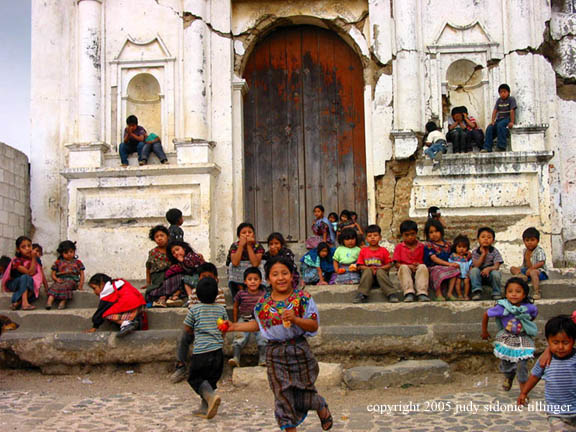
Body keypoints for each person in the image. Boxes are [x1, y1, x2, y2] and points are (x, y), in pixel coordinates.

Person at [224, 257, 333, 431]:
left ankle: (319, 405)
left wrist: (296, 319)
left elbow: (313, 325)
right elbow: (258, 324)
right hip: (274, 353)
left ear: (292, 276)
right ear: (268, 279)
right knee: (282, 396)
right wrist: (234, 326)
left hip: (299, 350)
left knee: (302, 391)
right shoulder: (263, 304)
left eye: (285, 273)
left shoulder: (303, 298)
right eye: (275, 274)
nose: (280, 278)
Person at [171, 262, 226, 384]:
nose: (206, 279)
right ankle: (181, 366)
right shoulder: (195, 293)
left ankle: (214, 370)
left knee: (217, 338)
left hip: (212, 325)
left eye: (209, 277)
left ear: (216, 279)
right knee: (182, 336)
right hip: (196, 325)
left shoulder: (219, 292)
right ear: (198, 279)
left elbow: (221, 316)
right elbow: (192, 312)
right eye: (203, 276)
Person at [518, 315, 576, 430]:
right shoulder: (545, 359)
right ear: (548, 341)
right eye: (555, 342)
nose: (560, 347)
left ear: (573, 341)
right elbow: (535, 376)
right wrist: (524, 392)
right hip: (555, 413)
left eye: (565, 342)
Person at [482, 277, 537, 393]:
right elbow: (486, 314)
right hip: (507, 338)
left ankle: (523, 392)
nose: (514, 294)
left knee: (522, 363)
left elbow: (533, 315)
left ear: (524, 294)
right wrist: (484, 331)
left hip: (523, 338)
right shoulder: (501, 307)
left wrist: (527, 324)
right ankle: (509, 376)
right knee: (507, 362)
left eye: (518, 291)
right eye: (510, 291)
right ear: (506, 293)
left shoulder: (529, 307)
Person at [183, 277, 228, 419]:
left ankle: (211, 397)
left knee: (195, 378)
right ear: (216, 294)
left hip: (201, 352)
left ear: (197, 295)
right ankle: (205, 407)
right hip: (218, 353)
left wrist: (193, 332)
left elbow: (187, 327)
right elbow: (225, 327)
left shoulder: (194, 310)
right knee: (210, 381)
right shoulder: (221, 309)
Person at [147, 240, 204, 307]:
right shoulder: (178, 263)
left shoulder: (191, 256)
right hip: (185, 282)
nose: (176, 253)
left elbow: (192, 269)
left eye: (177, 249)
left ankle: (173, 296)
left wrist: (183, 261)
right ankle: (170, 297)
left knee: (182, 279)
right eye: (173, 253)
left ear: (184, 248)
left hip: (196, 280)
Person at [229, 267, 266, 368]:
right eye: (250, 279)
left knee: (262, 337)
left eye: (256, 279)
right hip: (244, 319)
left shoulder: (263, 294)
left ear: (260, 281)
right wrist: (236, 321)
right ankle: (236, 358)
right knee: (239, 336)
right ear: (245, 281)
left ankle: (263, 359)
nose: (253, 282)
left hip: (259, 320)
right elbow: (235, 306)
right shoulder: (241, 294)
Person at [353, 224, 398, 304]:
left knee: (380, 271)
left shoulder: (383, 250)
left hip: (381, 278)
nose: (372, 237)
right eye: (370, 236)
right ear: (366, 239)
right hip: (367, 279)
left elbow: (389, 264)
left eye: (375, 235)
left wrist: (379, 269)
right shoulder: (363, 251)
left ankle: (391, 293)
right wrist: (369, 269)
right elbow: (360, 266)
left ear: (380, 237)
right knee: (367, 271)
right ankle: (362, 294)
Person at [1, 236, 43, 310]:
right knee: (25, 277)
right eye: (23, 247)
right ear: (18, 249)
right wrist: (34, 258)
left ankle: (18, 302)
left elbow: (40, 274)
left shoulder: (34, 260)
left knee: (34, 286)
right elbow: (30, 273)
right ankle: (25, 303)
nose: (27, 249)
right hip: (14, 283)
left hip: (27, 283)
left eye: (29, 246)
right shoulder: (16, 261)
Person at [423, 219, 461, 301]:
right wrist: (449, 264)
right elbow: (434, 258)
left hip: (447, 267)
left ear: (441, 232)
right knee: (438, 270)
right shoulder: (429, 245)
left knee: (455, 269)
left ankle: (449, 293)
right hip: (434, 268)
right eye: (431, 232)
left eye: (436, 231)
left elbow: (456, 253)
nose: (434, 234)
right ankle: (438, 293)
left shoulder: (448, 245)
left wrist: (466, 253)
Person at [393, 220, 430, 302]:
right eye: (407, 235)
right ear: (402, 235)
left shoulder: (421, 246)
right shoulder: (399, 247)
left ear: (416, 233)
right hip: (405, 271)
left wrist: (418, 264)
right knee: (403, 267)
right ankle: (409, 292)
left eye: (412, 234)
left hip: (418, 270)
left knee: (423, 267)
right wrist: (409, 266)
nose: (410, 237)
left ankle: (422, 293)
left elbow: (426, 261)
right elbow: (396, 264)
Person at [226, 222, 265, 299]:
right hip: (238, 273)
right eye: (244, 233)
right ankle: (241, 293)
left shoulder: (258, 246)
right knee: (232, 266)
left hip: (253, 272)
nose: (247, 234)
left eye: (250, 232)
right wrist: (241, 245)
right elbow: (235, 262)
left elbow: (255, 263)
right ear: (239, 236)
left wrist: (249, 246)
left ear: (253, 235)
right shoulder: (235, 245)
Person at [510, 227, 548, 300]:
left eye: (532, 240)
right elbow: (525, 263)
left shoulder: (539, 250)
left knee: (533, 272)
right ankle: (522, 277)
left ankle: (536, 291)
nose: (529, 242)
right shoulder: (525, 251)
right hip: (527, 271)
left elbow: (541, 262)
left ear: (537, 241)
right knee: (512, 268)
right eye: (527, 240)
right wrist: (521, 271)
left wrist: (531, 269)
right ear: (524, 241)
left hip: (539, 271)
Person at [46, 240, 85, 310]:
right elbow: (53, 274)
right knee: (55, 286)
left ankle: (63, 302)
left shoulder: (78, 262)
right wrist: (56, 279)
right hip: (61, 280)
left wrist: (81, 284)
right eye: (66, 252)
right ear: (61, 253)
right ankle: (49, 302)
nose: (69, 254)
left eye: (71, 252)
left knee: (67, 286)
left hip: (72, 281)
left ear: (74, 252)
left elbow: (82, 274)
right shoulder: (58, 262)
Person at [470, 227, 504, 301]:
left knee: (496, 273)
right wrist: (483, 254)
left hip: (490, 275)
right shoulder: (475, 252)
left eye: (489, 237)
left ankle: (496, 293)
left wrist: (488, 269)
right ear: (478, 239)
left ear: (493, 240)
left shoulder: (494, 251)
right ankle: (477, 291)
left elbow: (497, 266)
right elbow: (476, 265)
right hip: (479, 276)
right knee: (474, 271)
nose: (486, 239)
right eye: (483, 237)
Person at [483, 83, 517, 152]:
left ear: (508, 92)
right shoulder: (499, 100)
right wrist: (492, 121)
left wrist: (512, 122)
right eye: (501, 92)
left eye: (504, 92)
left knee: (500, 125)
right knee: (489, 128)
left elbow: (512, 111)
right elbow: (495, 111)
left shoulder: (511, 99)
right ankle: (487, 147)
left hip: (507, 119)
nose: (503, 94)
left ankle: (501, 146)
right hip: (499, 119)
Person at [143, 225, 171, 304]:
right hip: (157, 277)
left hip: (170, 276)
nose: (159, 238)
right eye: (156, 237)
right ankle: (162, 297)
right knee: (156, 288)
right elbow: (148, 268)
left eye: (162, 235)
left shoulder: (172, 250)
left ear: (167, 236)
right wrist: (148, 283)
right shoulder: (153, 252)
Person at [447, 235, 472, 301]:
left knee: (467, 282)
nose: (461, 249)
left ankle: (466, 295)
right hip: (457, 274)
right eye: (459, 247)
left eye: (464, 247)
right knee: (457, 282)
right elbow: (450, 263)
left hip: (465, 274)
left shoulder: (466, 257)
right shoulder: (453, 256)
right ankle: (459, 295)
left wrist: (469, 272)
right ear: (455, 247)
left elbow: (470, 264)